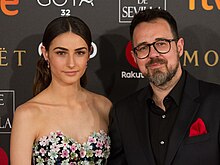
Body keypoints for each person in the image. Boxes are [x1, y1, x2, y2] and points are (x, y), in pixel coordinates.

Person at [107, 8, 220, 165]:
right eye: (143, 47)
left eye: (161, 43)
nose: (153, 54)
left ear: (179, 47)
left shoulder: (216, 102)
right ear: (134, 57)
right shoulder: (123, 113)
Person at [10, 16, 112, 164]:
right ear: (45, 53)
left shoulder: (104, 106)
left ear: (89, 53)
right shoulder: (27, 114)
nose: (71, 63)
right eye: (61, 53)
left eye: (79, 52)